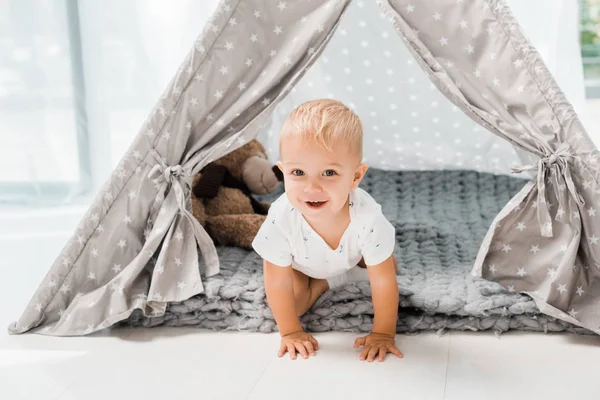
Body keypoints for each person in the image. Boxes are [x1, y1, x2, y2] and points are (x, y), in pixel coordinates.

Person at [252, 99, 403, 362]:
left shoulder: (367, 216)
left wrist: (383, 334)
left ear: (356, 177)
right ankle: (327, 282)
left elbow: (383, 282)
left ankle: (357, 267)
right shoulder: (282, 216)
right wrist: (290, 332)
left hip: (352, 254)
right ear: (282, 172)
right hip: (300, 266)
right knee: (293, 303)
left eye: (329, 173)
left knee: (388, 270)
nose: (312, 187)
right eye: (298, 172)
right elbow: (276, 278)